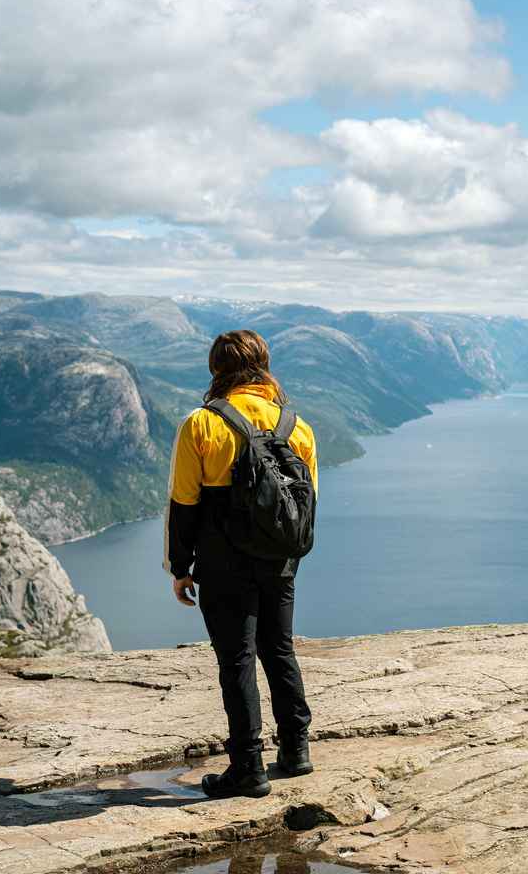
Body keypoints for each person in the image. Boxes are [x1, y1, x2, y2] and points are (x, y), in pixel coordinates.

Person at [164, 329, 319, 798]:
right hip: (280, 561)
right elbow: (307, 503)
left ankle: (248, 768)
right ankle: (296, 751)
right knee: (280, 650)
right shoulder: (297, 427)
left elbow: (184, 502)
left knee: (237, 660)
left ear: (217, 369)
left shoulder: (202, 424)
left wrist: (180, 568)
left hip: (224, 563)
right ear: (264, 366)